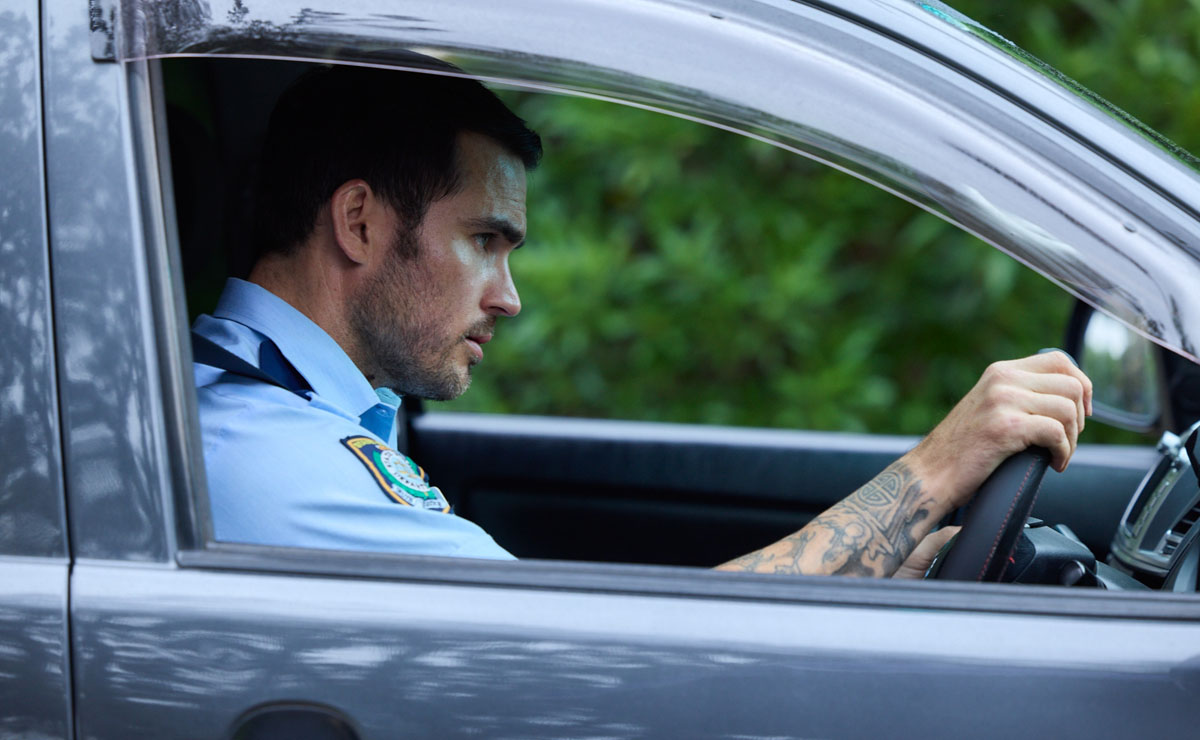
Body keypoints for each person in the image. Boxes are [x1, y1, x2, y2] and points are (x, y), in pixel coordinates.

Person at [193, 64, 1092, 576]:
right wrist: (937, 467)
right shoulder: (276, 459)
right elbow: (612, 659)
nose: (509, 296)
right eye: (484, 240)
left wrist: (888, 564)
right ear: (359, 223)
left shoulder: (288, 407)